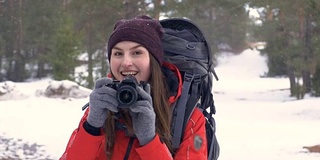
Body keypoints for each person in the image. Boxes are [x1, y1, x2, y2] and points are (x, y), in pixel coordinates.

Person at [60, 15, 207, 160]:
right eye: (118, 53)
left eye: (137, 53)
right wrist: (91, 128)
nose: (126, 62)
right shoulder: (101, 105)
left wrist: (150, 140)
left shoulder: (189, 118)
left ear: (153, 60)